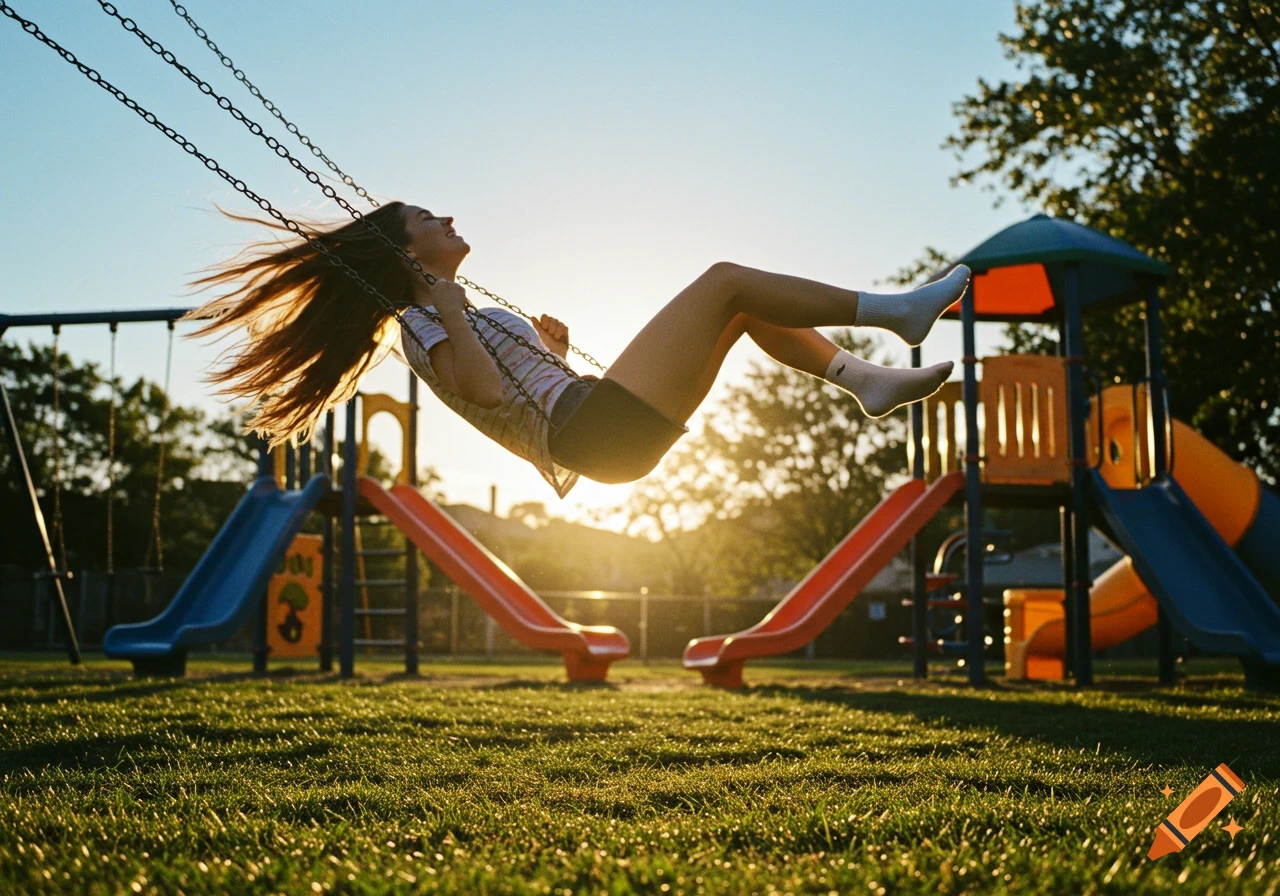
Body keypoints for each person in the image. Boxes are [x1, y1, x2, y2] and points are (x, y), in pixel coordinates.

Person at [186, 201, 966, 498]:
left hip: (603, 430)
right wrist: (454, 312)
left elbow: (515, 386)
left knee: (740, 304)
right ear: (405, 252)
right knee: (724, 280)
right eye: (429, 215)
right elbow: (484, 393)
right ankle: (895, 312)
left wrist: (553, 353)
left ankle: (862, 379)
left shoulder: (454, 314)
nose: (449, 214)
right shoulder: (420, 329)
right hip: (594, 432)